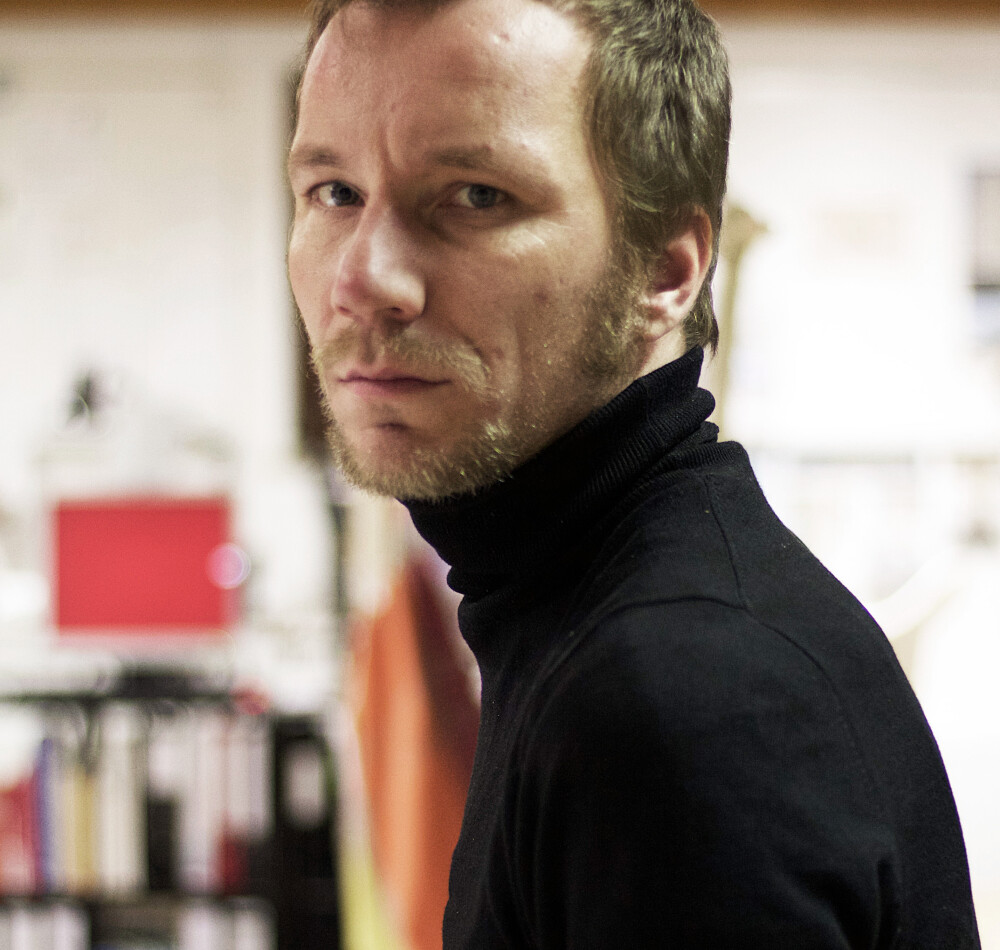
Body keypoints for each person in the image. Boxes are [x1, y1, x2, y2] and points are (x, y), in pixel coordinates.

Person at [286, 0, 982, 944]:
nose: (364, 280)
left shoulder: (679, 696)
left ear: (668, 269)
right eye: (333, 192)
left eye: (476, 195)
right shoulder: (587, 612)